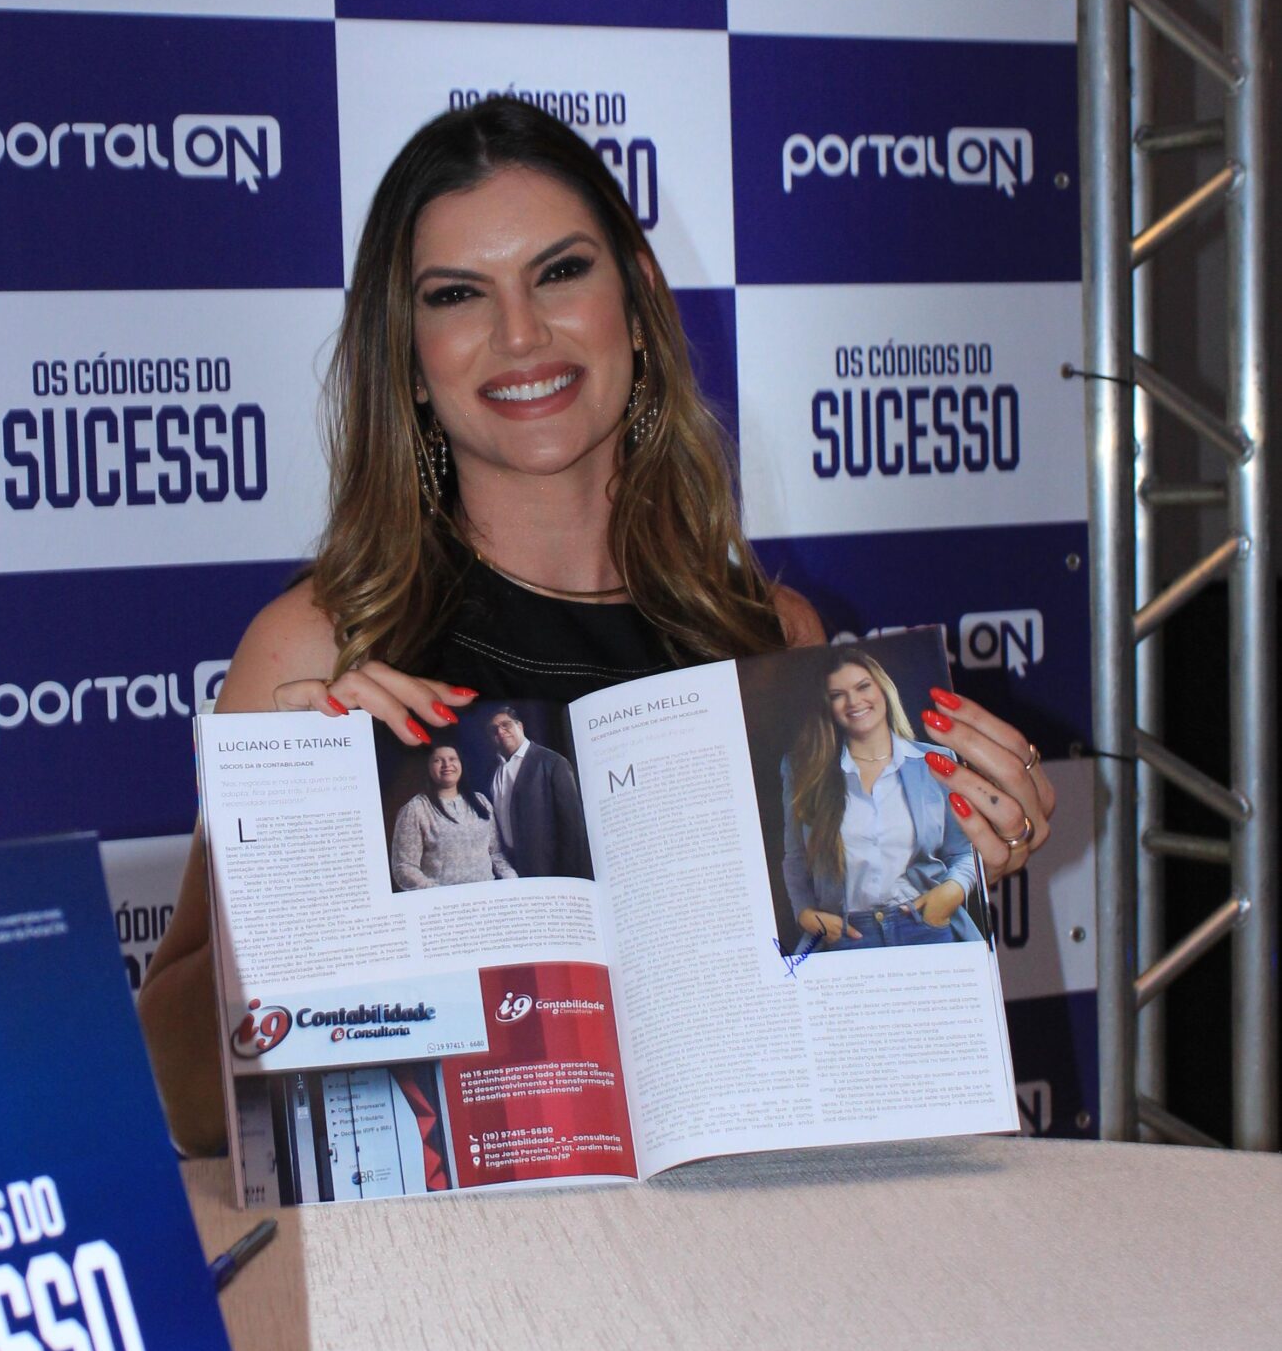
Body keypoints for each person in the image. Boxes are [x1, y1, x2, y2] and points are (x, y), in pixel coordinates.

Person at [142, 97, 1053, 1150]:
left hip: (747, 1236)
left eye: (561, 272)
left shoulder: (770, 637)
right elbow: (180, 1094)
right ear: (409, 356)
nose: (520, 334)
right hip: (454, 1249)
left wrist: (954, 866)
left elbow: (837, 1038)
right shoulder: (319, 646)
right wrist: (306, 852)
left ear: (639, 297)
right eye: (457, 294)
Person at [781, 650, 981, 948]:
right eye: (838, 695)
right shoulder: (803, 770)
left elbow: (966, 851)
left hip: (927, 926)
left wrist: (953, 891)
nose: (853, 702)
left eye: (863, 687)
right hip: (847, 938)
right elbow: (796, 858)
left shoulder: (936, 762)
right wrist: (804, 913)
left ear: (883, 689)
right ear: (828, 706)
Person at [390, 739, 517, 891]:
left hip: (486, 896)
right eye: (438, 760)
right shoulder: (415, 809)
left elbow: (495, 853)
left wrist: (513, 880)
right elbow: (404, 867)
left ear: (461, 764)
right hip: (444, 901)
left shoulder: (481, 801)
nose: (447, 765)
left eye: (452, 759)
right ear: (427, 767)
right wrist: (442, 894)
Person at [484, 707, 592, 881]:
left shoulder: (553, 762)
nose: (500, 732)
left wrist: (570, 879)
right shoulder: (491, 772)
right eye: (494, 729)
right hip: (509, 870)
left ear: (520, 726)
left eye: (505, 725)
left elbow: (572, 828)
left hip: (548, 870)